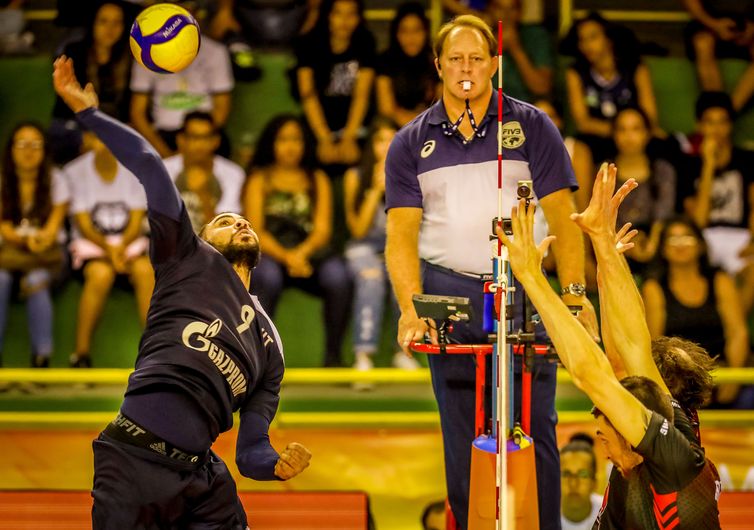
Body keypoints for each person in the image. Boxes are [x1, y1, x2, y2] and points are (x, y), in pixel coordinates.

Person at [53, 55, 311, 529]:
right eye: (224, 221)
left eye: (242, 219)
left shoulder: (270, 346)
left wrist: (275, 465)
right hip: (133, 461)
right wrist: (89, 114)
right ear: (201, 238)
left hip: (202, 475)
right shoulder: (184, 260)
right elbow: (150, 165)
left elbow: (251, 448)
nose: (239, 221)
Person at [384, 15, 598, 529]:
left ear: (495, 64)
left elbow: (566, 223)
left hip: (525, 290)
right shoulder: (408, 143)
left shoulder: (534, 126)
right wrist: (412, 308)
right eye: (455, 59)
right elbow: (400, 238)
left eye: (476, 58)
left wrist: (573, 297)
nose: (466, 68)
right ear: (438, 65)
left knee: (535, 426)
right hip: (447, 292)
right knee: (460, 435)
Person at [497, 168, 722, 529]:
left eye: (605, 432)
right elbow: (631, 346)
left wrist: (532, 277)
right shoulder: (668, 432)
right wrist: (603, 248)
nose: (601, 443)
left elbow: (600, 370)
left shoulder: (673, 457)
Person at [244, 114, 352, 367]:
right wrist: (287, 256)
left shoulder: (317, 178)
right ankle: (262, 359)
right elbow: (256, 229)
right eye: (283, 140)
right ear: (272, 143)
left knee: (339, 278)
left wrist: (301, 254)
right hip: (271, 253)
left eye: (296, 140)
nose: (290, 146)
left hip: (311, 254)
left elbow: (322, 229)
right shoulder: (260, 178)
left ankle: (333, 356)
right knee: (266, 277)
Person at [65, 129, 153, 368]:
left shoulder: (134, 168)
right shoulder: (74, 172)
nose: (105, 143)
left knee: (146, 270)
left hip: (129, 247)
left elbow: (136, 221)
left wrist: (120, 249)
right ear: (87, 139)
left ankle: (156, 354)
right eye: (98, 137)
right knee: (100, 274)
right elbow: (84, 225)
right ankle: (81, 355)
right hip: (90, 248)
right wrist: (111, 251)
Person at [642, 217, 750, 407]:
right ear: (663, 249)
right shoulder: (654, 287)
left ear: (700, 245)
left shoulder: (719, 279)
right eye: (672, 239)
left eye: (687, 237)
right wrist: (681, 385)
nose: (680, 245)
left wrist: (732, 379)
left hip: (722, 375)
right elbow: (655, 342)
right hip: (676, 380)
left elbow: (737, 333)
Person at [344, 118, 416, 372]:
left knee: (405, 277)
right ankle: (363, 354)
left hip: (397, 246)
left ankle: (404, 352)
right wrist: (375, 190)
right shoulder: (355, 176)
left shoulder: (410, 176)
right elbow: (358, 230)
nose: (386, 147)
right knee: (371, 277)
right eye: (380, 141)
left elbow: (410, 228)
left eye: (391, 140)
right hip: (363, 248)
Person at [0, 122, 69, 368]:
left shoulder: (57, 179)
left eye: (35, 144)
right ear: (10, 150)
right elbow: (5, 230)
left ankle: (41, 360)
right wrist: (26, 239)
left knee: (35, 280)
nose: (28, 150)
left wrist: (37, 240)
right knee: (2, 280)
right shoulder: (1, 180)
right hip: (9, 255)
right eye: (21, 144)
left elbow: (51, 231)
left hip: (47, 256)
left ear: (45, 150)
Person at [679, 92, 754, 312]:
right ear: (699, 125)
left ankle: (731, 334)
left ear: (730, 125)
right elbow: (698, 222)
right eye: (709, 122)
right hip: (703, 238)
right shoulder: (687, 165)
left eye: (722, 122)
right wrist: (708, 165)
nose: (716, 130)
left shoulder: (748, 160)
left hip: (740, 238)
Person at [130, 1, 234, 158]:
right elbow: (137, 113)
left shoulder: (216, 51)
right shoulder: (145, 53)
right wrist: (164, 154)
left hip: (203, 132)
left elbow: (222, 108)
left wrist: (200, 141)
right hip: (163, 135)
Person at [561, 12, 661, 162]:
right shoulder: (576, 72)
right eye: (582, 40)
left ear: (609, 40)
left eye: (593, 37)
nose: (587, 45)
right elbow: (583, 123)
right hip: (597, 138)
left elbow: (649, 116)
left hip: (636, 135)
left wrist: (630, 133)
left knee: (666, 147)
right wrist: (619, 132)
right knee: (578, 149)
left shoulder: (635, 67)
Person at [294, 0, 376, 168]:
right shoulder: (309, 43)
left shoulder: (366, 42)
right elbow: (308, 94)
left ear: (359, 17)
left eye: (351, 14)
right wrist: (324, 139)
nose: (344, 20)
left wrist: (349, 137)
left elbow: (362, 95)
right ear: (328, 16)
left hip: (354, 122)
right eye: (338, 13)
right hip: (318, 121)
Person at [50, 1, 132, 165]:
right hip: (74, 125)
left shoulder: (131, 57)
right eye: (104, 21)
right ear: (93, 23)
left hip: (115, 130)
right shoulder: (75, 52)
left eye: (117, 22)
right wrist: (88, 137)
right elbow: (65, 108)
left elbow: (129, 110)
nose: (111, 29)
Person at [163, 111, 245, 233]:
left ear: (216, 141)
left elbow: (225, 229)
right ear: (181, 140)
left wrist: (202, 194)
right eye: (194, 137)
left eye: (206, 138)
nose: (200, 144)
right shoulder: (163, 169)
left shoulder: (233, 173)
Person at [682, 0, 754, 112]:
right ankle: (716, 108)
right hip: (709, 23)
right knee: (703, 43)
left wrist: (752, 28)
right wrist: (714, 24)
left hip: (749, 26)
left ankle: (728, 113)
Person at [375, 2, 438, 128]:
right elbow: (387, 109)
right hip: (395, 126)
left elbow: (443, 103)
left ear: (425, 32)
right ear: (396, 33)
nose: (411, 37)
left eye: (416, 30)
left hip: (430, 125)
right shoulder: (385, 60)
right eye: (405, 31)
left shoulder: (435, 60)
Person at [488, 0, 553, 103]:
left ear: (520, 12)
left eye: (512, 8)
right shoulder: (478, 38)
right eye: (499, 8)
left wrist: (516, 48)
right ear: (490, 10)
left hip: (525, 108)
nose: (506, 14)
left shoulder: (535, 36)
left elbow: (541, 87)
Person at [560, 434, 602, 530]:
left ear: (594, 483)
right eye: (566, 474)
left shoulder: (610, 513)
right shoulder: (542, 518)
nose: (573, 483)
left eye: (582, 475)